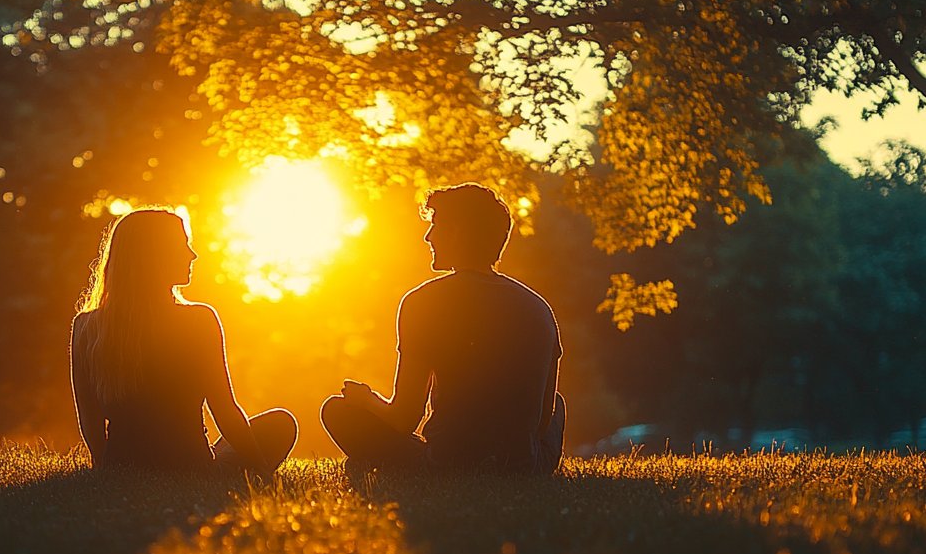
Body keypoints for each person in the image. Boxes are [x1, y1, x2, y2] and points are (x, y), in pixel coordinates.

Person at [321, 183, 565, 474]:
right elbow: (542, 422)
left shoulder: (422, 302)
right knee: (558, 405)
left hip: (446, 465)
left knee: (338, 411)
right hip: (523, 467)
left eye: (436, 225)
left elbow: (404, 419)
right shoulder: (539, 309)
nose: (428, 236)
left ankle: (378, 459)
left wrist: (367, 400)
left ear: (457, 232)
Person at [71, 208, 297, 475]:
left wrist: (104, 469)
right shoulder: (199, 320)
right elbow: (225, 412)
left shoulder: (86, 326)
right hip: (193, 467)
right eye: (182, 245)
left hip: (121, 465)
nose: (192, 255)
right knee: (280, 424)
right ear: (154, 257)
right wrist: (260, 469)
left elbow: (90, 417)